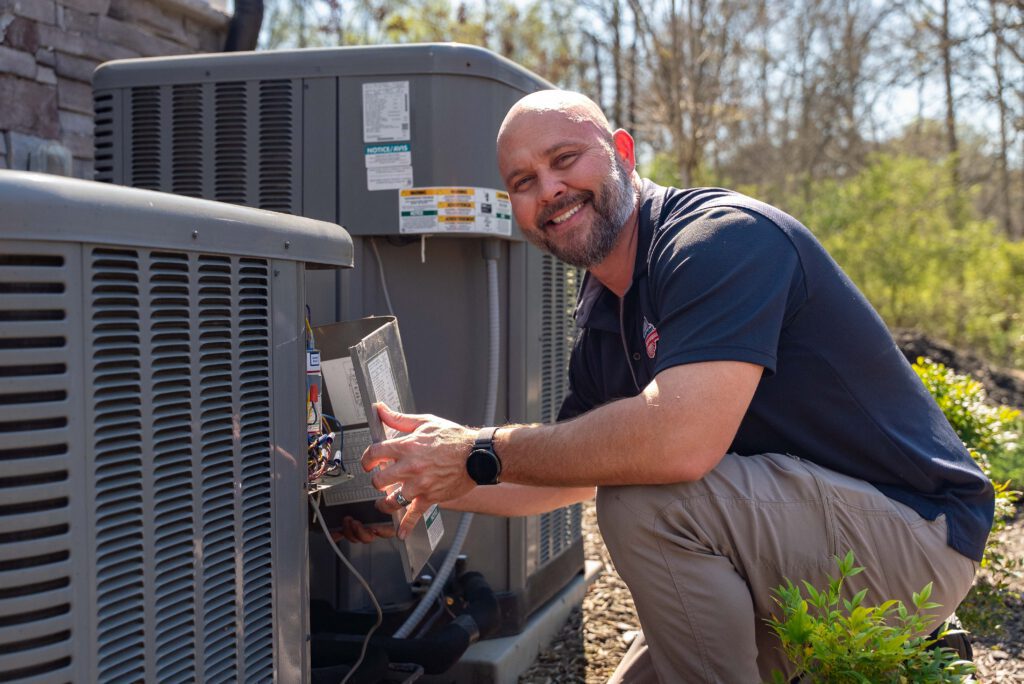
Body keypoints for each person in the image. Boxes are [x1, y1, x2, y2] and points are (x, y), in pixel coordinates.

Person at [356, 90, 995, 682]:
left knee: (644, 503)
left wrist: (475, 448)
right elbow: (568, 473)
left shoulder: (718, 242)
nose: (549, 189)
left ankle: (919, 637)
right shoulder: (605, 309)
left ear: (624, 154)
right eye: (523, 182)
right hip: (793, 541)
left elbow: (678, 447)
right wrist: (427, 479)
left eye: (565, 159)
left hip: (913, 536)